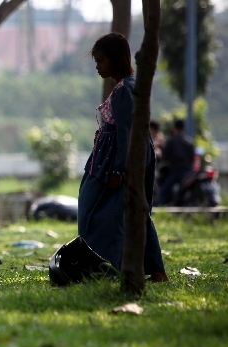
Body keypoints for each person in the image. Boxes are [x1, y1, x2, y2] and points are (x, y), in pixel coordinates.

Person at [79, 33, 166, 281]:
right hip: (118, 158)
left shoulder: (124, 91)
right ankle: (156, 270)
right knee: (135, 212)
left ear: (115, 59)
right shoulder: (127, 87)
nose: (98, 66)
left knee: (97, 213)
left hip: (116, 161)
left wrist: (119, 168)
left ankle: (105, 268)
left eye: (101, 60)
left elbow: (126, 131)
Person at [157, 119, 195, 206]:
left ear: (174, 128)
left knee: (164, 190)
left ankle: (160, 207)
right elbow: (193, 159)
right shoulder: (189, 142)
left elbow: (164, 156)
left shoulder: (172, 142)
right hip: (189, 171)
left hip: (177, 171)